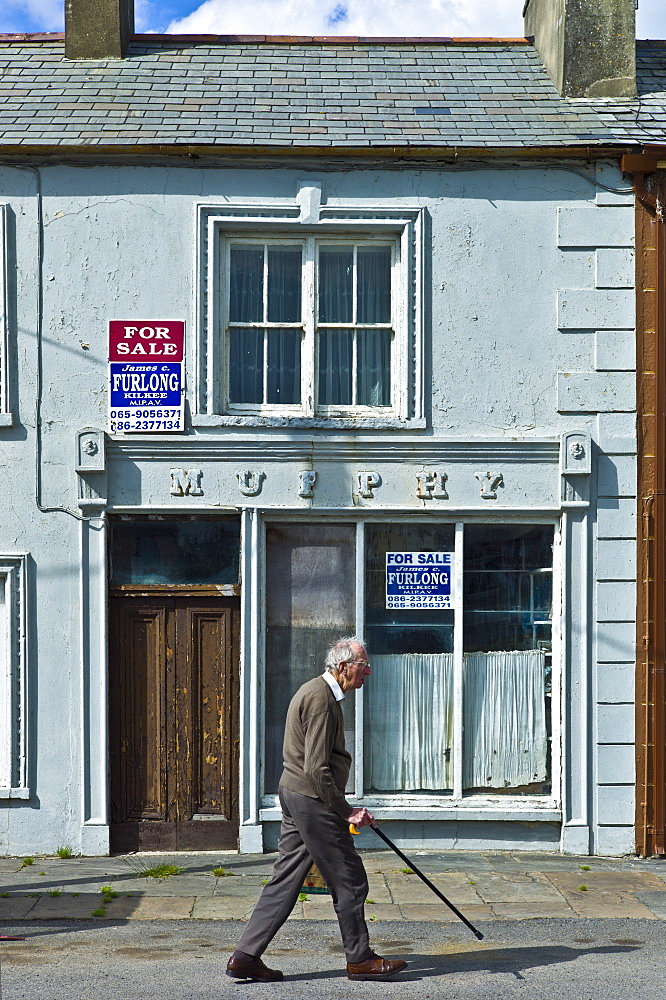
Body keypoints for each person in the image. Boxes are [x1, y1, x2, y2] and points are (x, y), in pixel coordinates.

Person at [226, 637, 408, 983]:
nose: (368, 671)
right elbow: (317, 768)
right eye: (362, 665)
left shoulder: (316, 692)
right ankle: (360, 960)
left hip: (297, 794)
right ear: (343, 667)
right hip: (313, 800)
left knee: (285, 880)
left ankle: (245, 956)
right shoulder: (322, 699)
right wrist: (346, 810)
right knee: (350, 881)